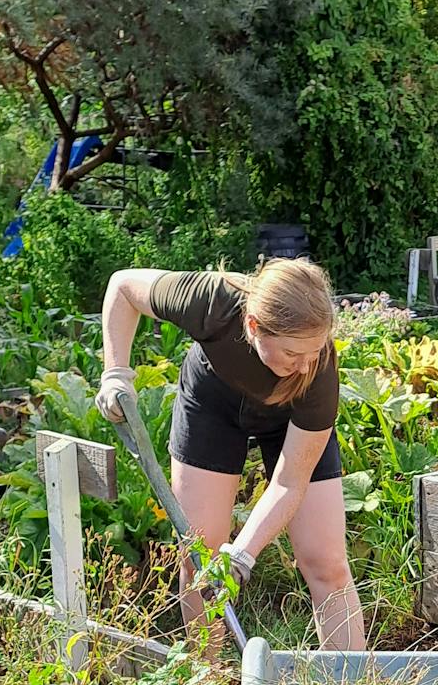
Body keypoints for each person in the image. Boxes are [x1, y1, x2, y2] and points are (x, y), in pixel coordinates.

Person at [92, 259, 366, 651]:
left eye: (314, 350)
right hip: (213, 406)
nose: (305, 364)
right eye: (292, 352)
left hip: (291, 418)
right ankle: (211, 683)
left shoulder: (316, 374)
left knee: (326, 561)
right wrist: (115, 373)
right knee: (198, 559)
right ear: (254, 327)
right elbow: (122, 285)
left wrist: (243, 554)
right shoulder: (212, 303)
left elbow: (290, 482)